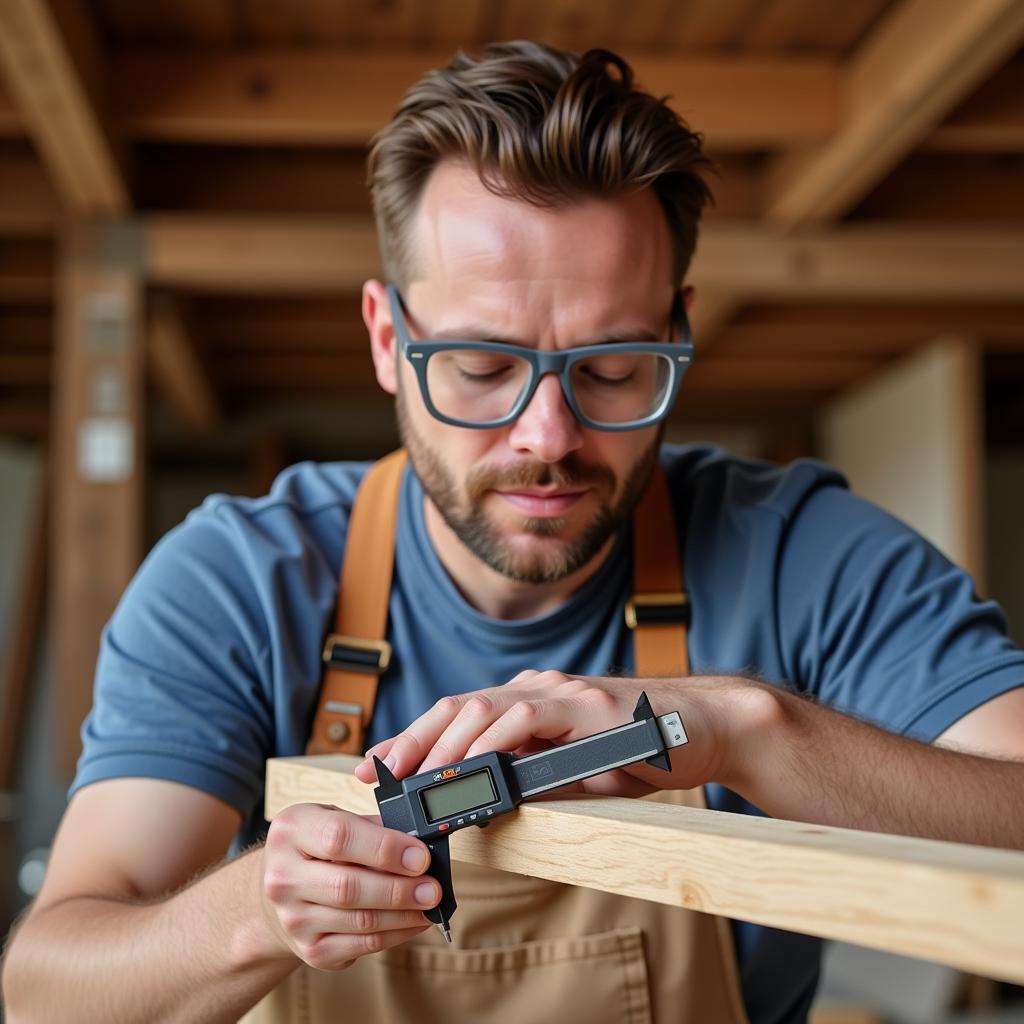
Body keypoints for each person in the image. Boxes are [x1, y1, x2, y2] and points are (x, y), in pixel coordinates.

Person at [3, 40, 1023, 1024]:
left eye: (614, 366)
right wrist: (252, 912)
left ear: (677, 329)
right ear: (386, 339)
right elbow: (46, 993)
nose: (549, 436)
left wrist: (746, 728)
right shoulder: (240, 577)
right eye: (483, 366)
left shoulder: (804, 552)